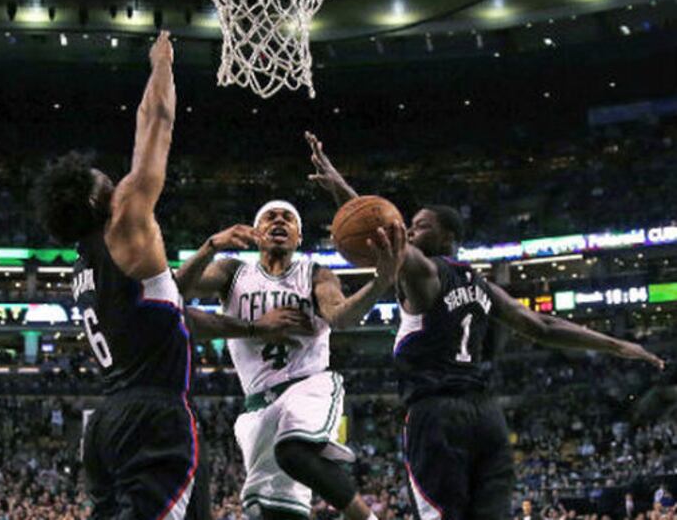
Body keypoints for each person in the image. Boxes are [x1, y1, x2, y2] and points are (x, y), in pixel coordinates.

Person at [305, 131, 665, 520]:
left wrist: (340, 186)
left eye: (420, 225)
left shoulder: (425, 273)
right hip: (486, 416)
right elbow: (542, 326)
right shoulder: (483, 286)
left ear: (449, 236)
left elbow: (374, 225)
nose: (409, 231)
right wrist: (618, 345)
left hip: (437, 415)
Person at [34, 32, 311, 520]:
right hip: (153, 417)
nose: (114, 179)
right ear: (100, 201)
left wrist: (243, 311)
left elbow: (173, 312)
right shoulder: (124, 226)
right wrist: (161, 64)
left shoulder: (87, 267)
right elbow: (154, 124)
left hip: (109, 421)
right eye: (104, 179)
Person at [176, 200, 405, 520]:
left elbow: (340, 317)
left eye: (288, 218)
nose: (279, 221)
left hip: (307, 386)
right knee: (271, 510)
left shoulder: (315, 273)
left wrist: (380, 281)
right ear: (256, 233)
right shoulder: (232, 272)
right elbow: (173, 293)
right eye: (270, 217)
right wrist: (211, 246)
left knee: (293, 449)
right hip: (257, 405)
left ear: (299, 238)